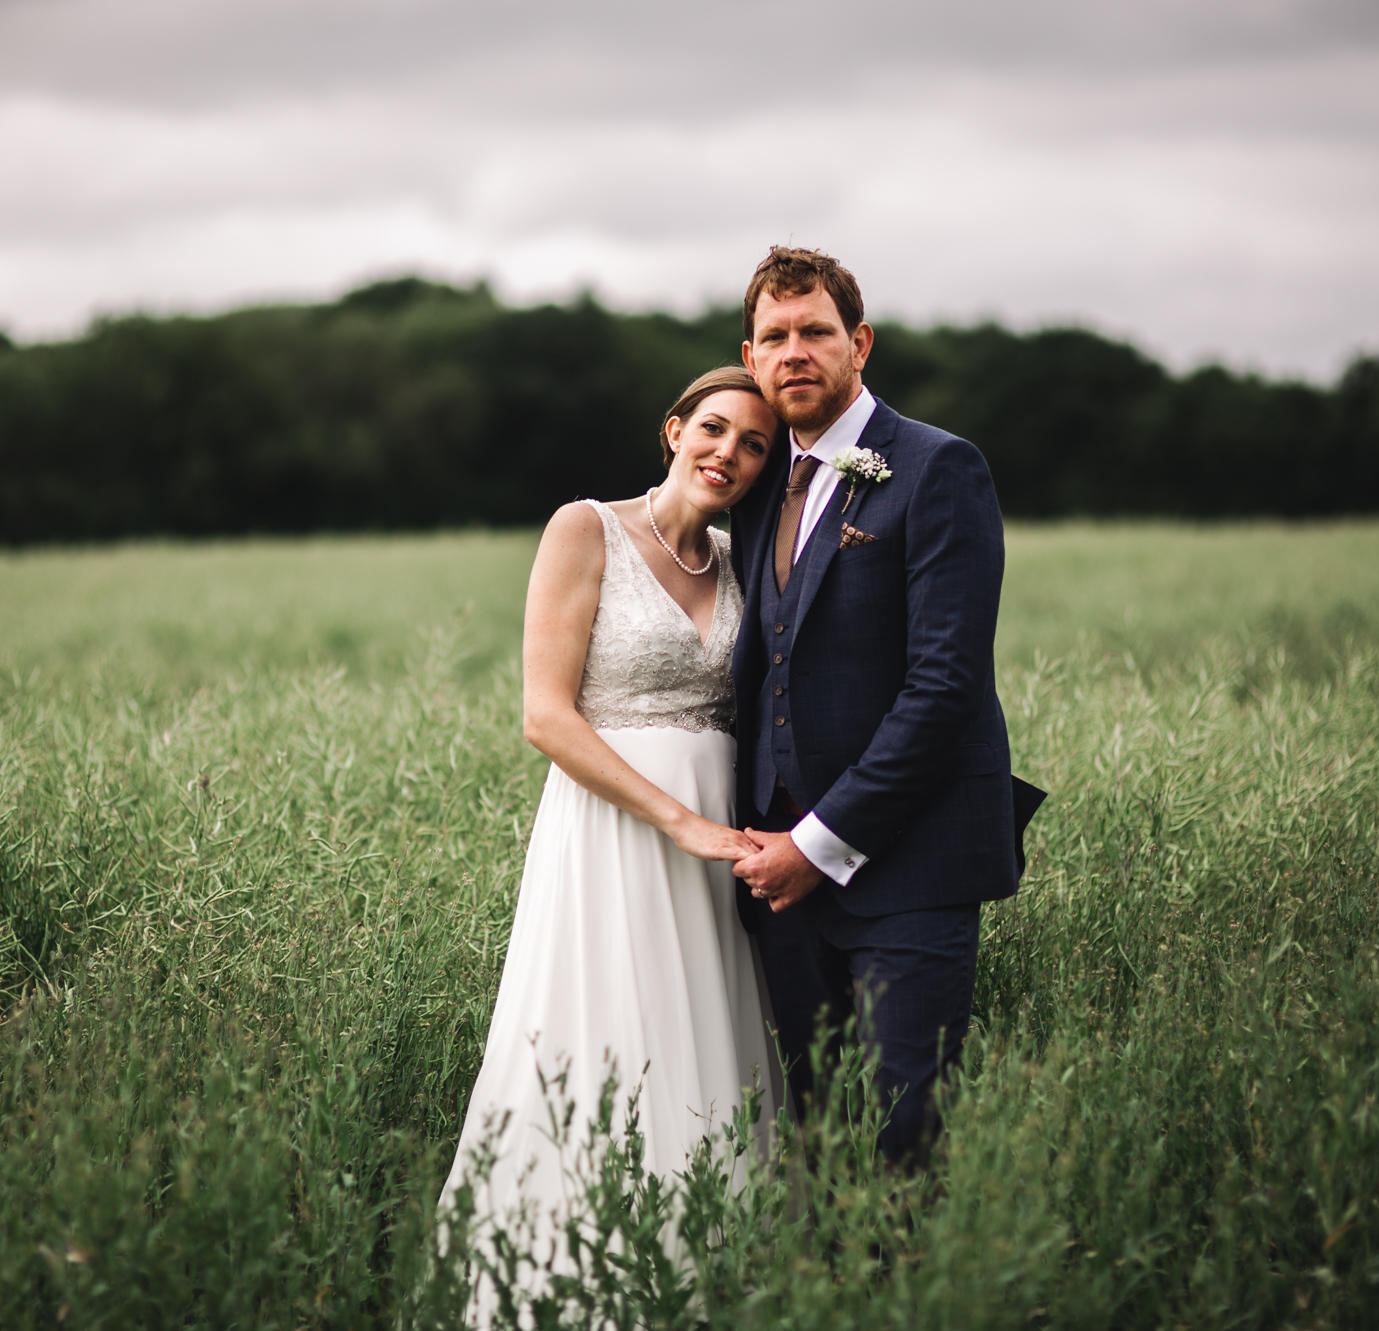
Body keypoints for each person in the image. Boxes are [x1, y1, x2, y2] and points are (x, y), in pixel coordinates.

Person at [439, 367, 784, 1274]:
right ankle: (574, 1273)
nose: (731, 454)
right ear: (673, 430)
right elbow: (546, 716)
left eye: (755, 445)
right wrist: (679, 821)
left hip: (723, 840)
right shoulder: (584, 528)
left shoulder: (746, 557)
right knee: (604, 1035)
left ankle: (708, 1266)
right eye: (715, 429)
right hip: (617, 831)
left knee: (707, 1039)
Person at [728, 246, 1044, 1162]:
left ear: (858, 343)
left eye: (815, 332)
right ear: (749, 359)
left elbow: (943, 688)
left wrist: (816, 847)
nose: (795, 352)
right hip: (778, 887)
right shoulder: (755, 488)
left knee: (903, 1138)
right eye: (774, 336)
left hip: (909, 870)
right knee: (818, 1136)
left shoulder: (939, 467)